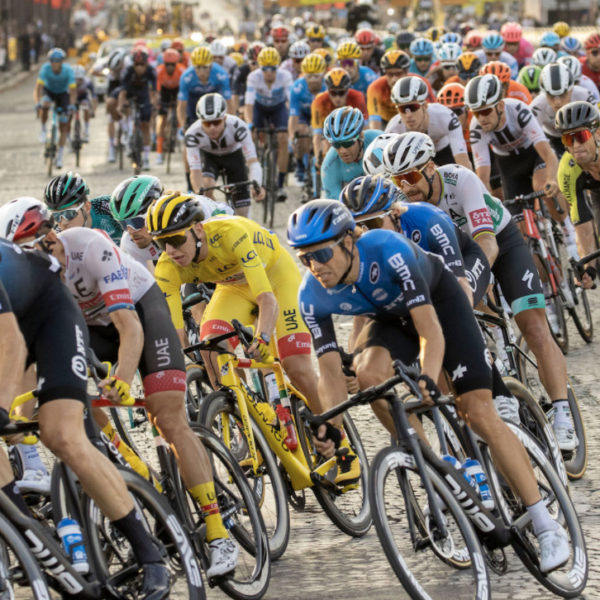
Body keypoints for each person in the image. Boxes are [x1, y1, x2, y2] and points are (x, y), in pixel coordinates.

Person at [287, 198, 569, 574]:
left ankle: (545, 523)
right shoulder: (311, 294)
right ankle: (436, 463)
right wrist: (330, 426)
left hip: (441, 305)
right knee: (369, 376)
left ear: (348, 242)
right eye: (304, 258)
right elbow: (329, 372)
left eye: (321, 253)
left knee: (477, 412)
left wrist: (427, 380)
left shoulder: (390, 250)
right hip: (389, 319)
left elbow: (431, 332)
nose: (314, 266)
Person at [0, 224, 171, 598]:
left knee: (61, 435)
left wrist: (2, 404)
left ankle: (148, 552)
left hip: (47, 313)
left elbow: (10, 342)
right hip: (11, 325)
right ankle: (29, 541)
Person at [145, 195, 361, 486]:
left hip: (274, 280)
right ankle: (244, 418)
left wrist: (261, 337)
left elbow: (266, 299)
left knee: (294, 364)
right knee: (209, 345)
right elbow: (176, 334)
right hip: (233, 288)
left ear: (197, 230)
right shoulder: (166, 267)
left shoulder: (231, 235)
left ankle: (341, 443)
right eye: (161, 243)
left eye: (176, 239)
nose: (170, 250)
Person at [382, 131, 577, 451]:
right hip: (458, 257)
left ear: (431, 168)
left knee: (533, 325)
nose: (407, 187)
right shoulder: (405, 205)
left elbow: (487, 243)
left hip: (499, 242)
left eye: (412, 176)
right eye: (398, 180)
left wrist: (469, 281)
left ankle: (563, 412)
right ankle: (494, 376)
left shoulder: (461, 181)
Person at [185, 92, 265, 217]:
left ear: (225, 118)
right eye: (206, 123)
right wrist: (200, 196)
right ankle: (217, 215)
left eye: (216, 122)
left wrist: (257, 184)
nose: (212, 128)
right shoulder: (192, 134)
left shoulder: (239, 126)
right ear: (200, 122)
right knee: (206, 186)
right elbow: (195, 171)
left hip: (234, 156)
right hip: (210, 157)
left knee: (243, 212)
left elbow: (252, 161)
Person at [556, 101, 600, 285]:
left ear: (597, 133)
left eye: (581, 136)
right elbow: (583, 226)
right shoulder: (567, 171)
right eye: (568, 139)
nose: (575, 145)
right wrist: (589, 267)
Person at [386, 76, 472, 169]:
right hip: (413, 157)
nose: (408, 115)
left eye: (413, 107)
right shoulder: (394, 128)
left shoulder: (445, 116)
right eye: (402, 109)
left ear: (425, 106)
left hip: (442, 152)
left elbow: (463, 161)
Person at [244, 46, 292, 202]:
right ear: (260, 67)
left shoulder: (285, 76)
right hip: (260, 108)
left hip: (278, 109)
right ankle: (254, 170)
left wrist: (291, 124)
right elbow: (249, 105)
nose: (269, 72)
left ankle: (280, 184)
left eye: (273, 68)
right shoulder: (253, 77)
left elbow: (290, 102)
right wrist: (250, 123)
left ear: (278, 67)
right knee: (251, 134)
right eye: (265, 69)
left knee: (283, 138)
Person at [531, 62, 597, 157]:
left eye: (562, 95)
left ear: (571, 90)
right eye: (551, 96)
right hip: (553, 138)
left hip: (581, 135)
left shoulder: (585, 96)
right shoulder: (537, 105)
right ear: (544, 93)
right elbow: (531, 140)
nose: (557, 102)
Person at [321, 106, 381, 199]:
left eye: (347, 143)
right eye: (335, 145)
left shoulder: (377, 142)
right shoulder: (329, 165)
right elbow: (336, 206)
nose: (342, 150)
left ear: (361, 135)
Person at [367, 50, 435, 129]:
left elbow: (431, 110)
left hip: (415, 119)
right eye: (390, 74)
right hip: (386, 122)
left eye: (398, 73)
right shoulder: (375, 87)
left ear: (406, 72)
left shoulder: (421, 83)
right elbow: (375, 121)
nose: (394, 79)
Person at [311, 68, 368, 160]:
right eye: (333, 93)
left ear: (348, 90)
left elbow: (365, 128)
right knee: (326, 145)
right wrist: (319, 157)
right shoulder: (319, 102)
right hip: (329, 133)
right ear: (328, 91)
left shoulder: (357, 97)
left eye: (341, 93)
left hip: (349, 131)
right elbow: (317, 135)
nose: (337, 98)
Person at [34, 48, 76, 169]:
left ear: (62, 62)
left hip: (63, 94)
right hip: (49, 91)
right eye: (53, 61)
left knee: (63, 123)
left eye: (58, 61)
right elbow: (38, 88)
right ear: (50, 61)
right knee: (45, 104)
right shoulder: (45, 69)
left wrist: (72, 105)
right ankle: (43, 129)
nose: (55, 63)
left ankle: (59, 157)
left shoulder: (68, 70)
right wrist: (37, 102)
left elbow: (73, 91)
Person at [117, 47, 157, 171]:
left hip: (143, 94)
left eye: (142, 65)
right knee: (127, 110)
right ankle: (128, 133)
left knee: (145, 125)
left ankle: (145, 158)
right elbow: (123, 91)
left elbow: (154, 91)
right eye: (137, 65)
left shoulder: (151, 71)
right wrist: (121, 105)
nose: (139, 67)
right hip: (130, 93)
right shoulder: (128, 71)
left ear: (146, 64)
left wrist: (154, 103)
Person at [289, 53, 327, 182]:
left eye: (316, 76)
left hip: (323, 115)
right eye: (309, 76)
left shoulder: (328, 86)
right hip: (304, 114)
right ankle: (300, 164)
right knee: (302, 132)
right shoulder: (297, 87)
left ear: (323, 74)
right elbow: (293, 117)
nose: (313, 80)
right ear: (304, 75)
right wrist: (292, 138)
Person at [155, 48, 185, 166]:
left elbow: (184, 90)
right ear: (164, 63)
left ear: (176, 63)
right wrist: (158, 102)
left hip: (178, 90)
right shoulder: (159, 71)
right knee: (162, 120)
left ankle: (178, 128)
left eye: (173, 65)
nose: (170, 67)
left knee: (180, 109)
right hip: (165, 91)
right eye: (167, 65)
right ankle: (159, 153)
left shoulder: (182, 70)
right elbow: (157, 91)